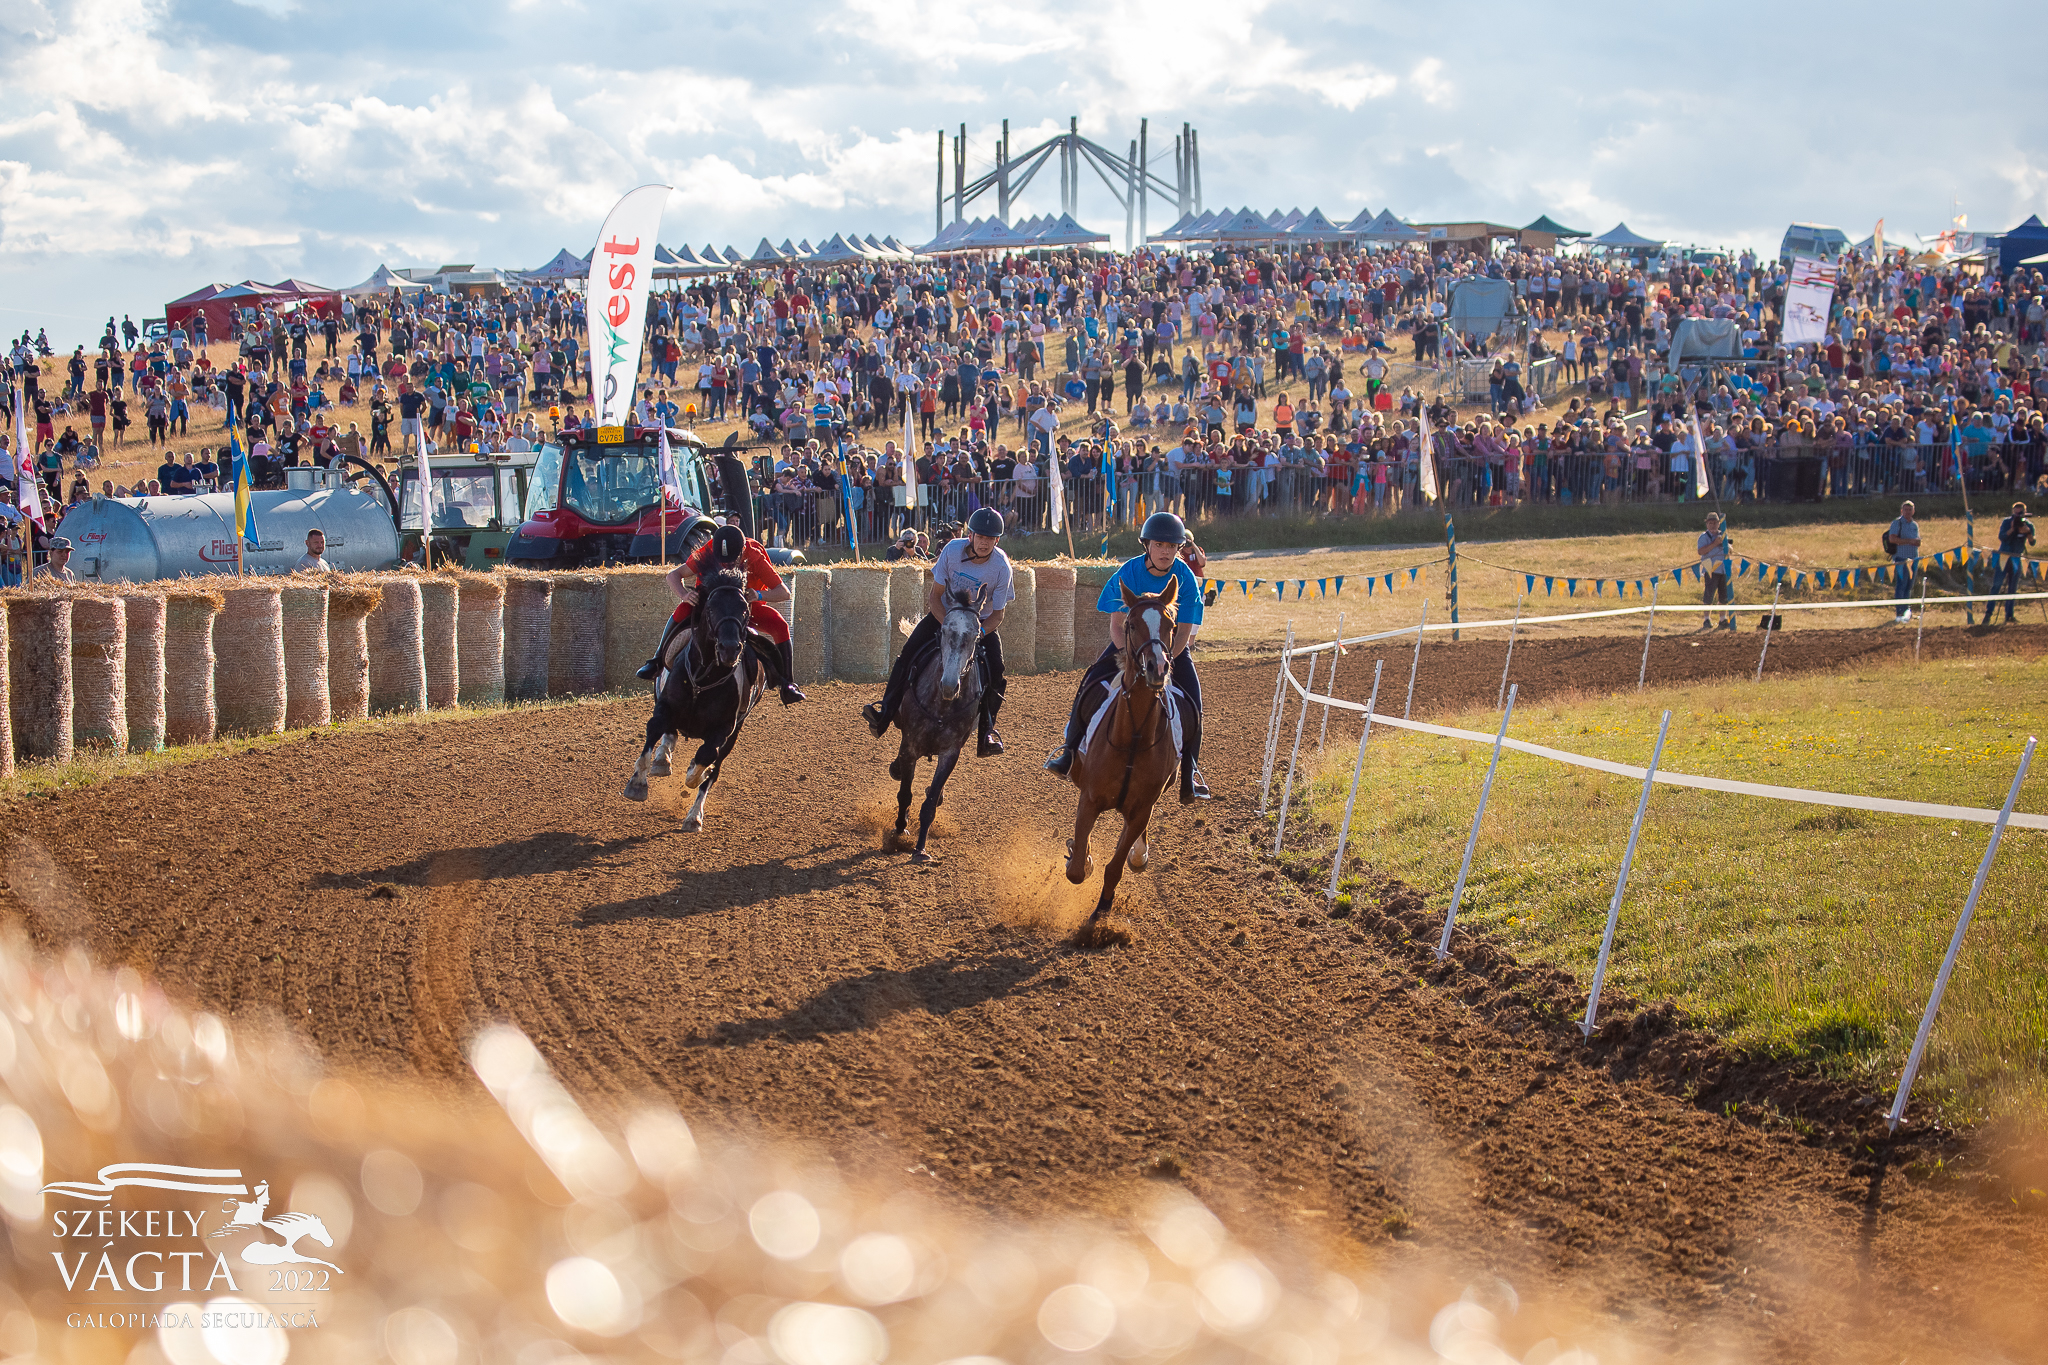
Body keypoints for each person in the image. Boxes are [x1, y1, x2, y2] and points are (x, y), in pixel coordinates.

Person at [1043, 510, 1209, 802]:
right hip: (1129, 647)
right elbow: (1116, 626)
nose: (1166, 551)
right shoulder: (1129, 572)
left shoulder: (1185, 577)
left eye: (1172, 546)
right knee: (1089, 683)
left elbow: (1183, 630)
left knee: (1194, 703)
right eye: (1159, 545)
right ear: (1147, 545)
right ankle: (1068, 752)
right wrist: (1131, 658)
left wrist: (1167, 659)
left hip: (1170, 649)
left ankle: (1190, 773)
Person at [862, 506, 1012, 757]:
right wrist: (949, 628)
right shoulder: (952, 551)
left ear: (997, 541)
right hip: (944, 616)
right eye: (980, 537)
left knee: (997, 670)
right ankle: (884, 712)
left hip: (979, 625)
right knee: (908, 653)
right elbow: (935, 597)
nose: (985, 543)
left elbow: (997, 614)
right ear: (971, 536)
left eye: (990, 538)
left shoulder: (1002, 567)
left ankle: (986, 733)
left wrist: (977, 634)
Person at [635, 521, 804, 704]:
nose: (727, 565)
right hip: (710, 606)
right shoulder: (706, 551)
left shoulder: (755, 555)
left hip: (743, 607)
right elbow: (673, 576)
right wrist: (684, 595)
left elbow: (784, 592)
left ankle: (788, 684)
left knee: (780, 624)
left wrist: (758, 595)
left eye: (731, 561)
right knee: (683, 609)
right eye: (722, 561)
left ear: (742, 551)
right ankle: (656, 661)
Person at [1995, 500, 2036, 624]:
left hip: (2017, 558)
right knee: (1996, 585)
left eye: (2020, 513)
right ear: (2013, 512)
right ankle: (1988, 615)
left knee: (2013, 588)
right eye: (2016, 513)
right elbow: (2002, 537)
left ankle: (2009, 615)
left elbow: (2032, 542)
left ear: (2025, 512)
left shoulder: (2028, 525)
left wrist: (2028, 532)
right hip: (2004, 557)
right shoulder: (2007, 522)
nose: (2018, 516)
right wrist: (2012, 529)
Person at [1697, 512, 1735, 631]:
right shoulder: (1703, 537)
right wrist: (1715, 544)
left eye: (1715, 523)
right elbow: (1701, 551)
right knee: (1709, 596)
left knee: (1723, 597)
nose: (1713, 525)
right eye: (1710, 523)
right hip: (1711, 570)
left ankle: (1722, 619)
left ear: (1719, 524)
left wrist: (1727, 546)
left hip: (1723, 569)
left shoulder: (1723, 535)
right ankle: (1706, 620)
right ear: (1707, 524)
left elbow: (1730, 550)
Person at [1886, 499, 1920, 623]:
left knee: (1909, 586)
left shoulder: (1914, 525)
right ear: (1902, 511)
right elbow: (1892, 539)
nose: (1908, 512)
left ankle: (1906, 611)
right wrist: (1909, 541)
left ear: (1913, 511)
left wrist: (1916, 542)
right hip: (1901, 559)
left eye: (1910, 510)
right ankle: (1899, 612)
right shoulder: (1897, 523)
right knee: (1901, 585)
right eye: (1906, 510)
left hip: (1913, 558)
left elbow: (1917, 540)